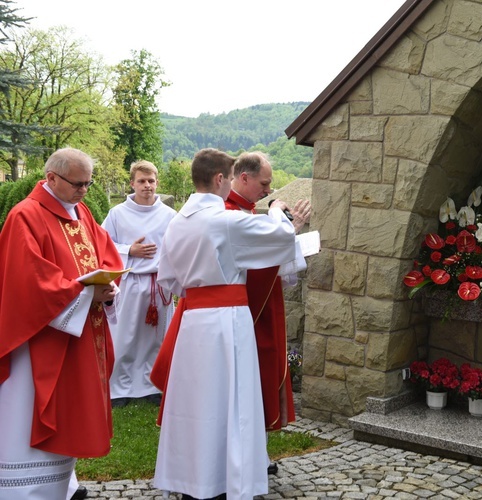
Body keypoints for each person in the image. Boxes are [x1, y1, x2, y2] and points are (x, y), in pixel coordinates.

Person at [150, 148, 297, 499]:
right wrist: (277, 211)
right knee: (231, 400)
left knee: (194, 403)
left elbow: (168, 280)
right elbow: (281, 238)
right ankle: (223, 481)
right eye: (230, 178)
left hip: (192, 323)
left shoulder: (176, 223)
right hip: (226, 321)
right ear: (220, 179)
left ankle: (191, 478)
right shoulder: (223, 221)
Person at [0, 147, 122, 499]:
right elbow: (29, 281)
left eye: (88, 183)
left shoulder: (81, 212)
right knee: (29, 414)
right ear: (51, 177)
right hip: (37, 341)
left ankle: (61, 487)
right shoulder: (25, 216)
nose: (85, 190)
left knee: (67, 416)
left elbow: (106, 255)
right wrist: (84, 294)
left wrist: (109, 287)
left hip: (76, 336)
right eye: (78, 183)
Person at [226, 152, 311, 473]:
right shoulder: (229, 213)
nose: (268, 191)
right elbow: (247, 268)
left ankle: (255, 454)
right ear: (243, 178)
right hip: (246, 313)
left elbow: (269, 261)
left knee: (259, 378)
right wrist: (283, 227)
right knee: (250, 380)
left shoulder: (247, 211)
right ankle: (246, 458)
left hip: (263, 307)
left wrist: (287, 231)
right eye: (264, 184)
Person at [102, 160, 176, 407]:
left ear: (157, 182)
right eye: (142, 181)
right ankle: (119, 389)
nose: (147, 186)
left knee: (156, 339)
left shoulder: (169, 215)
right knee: (125, 337)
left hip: (159, 285)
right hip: (131, 282)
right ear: (132, 183)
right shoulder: (117, 214)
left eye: (151, 181)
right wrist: (129, 250)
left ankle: (152, 385)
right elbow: (102, 245)